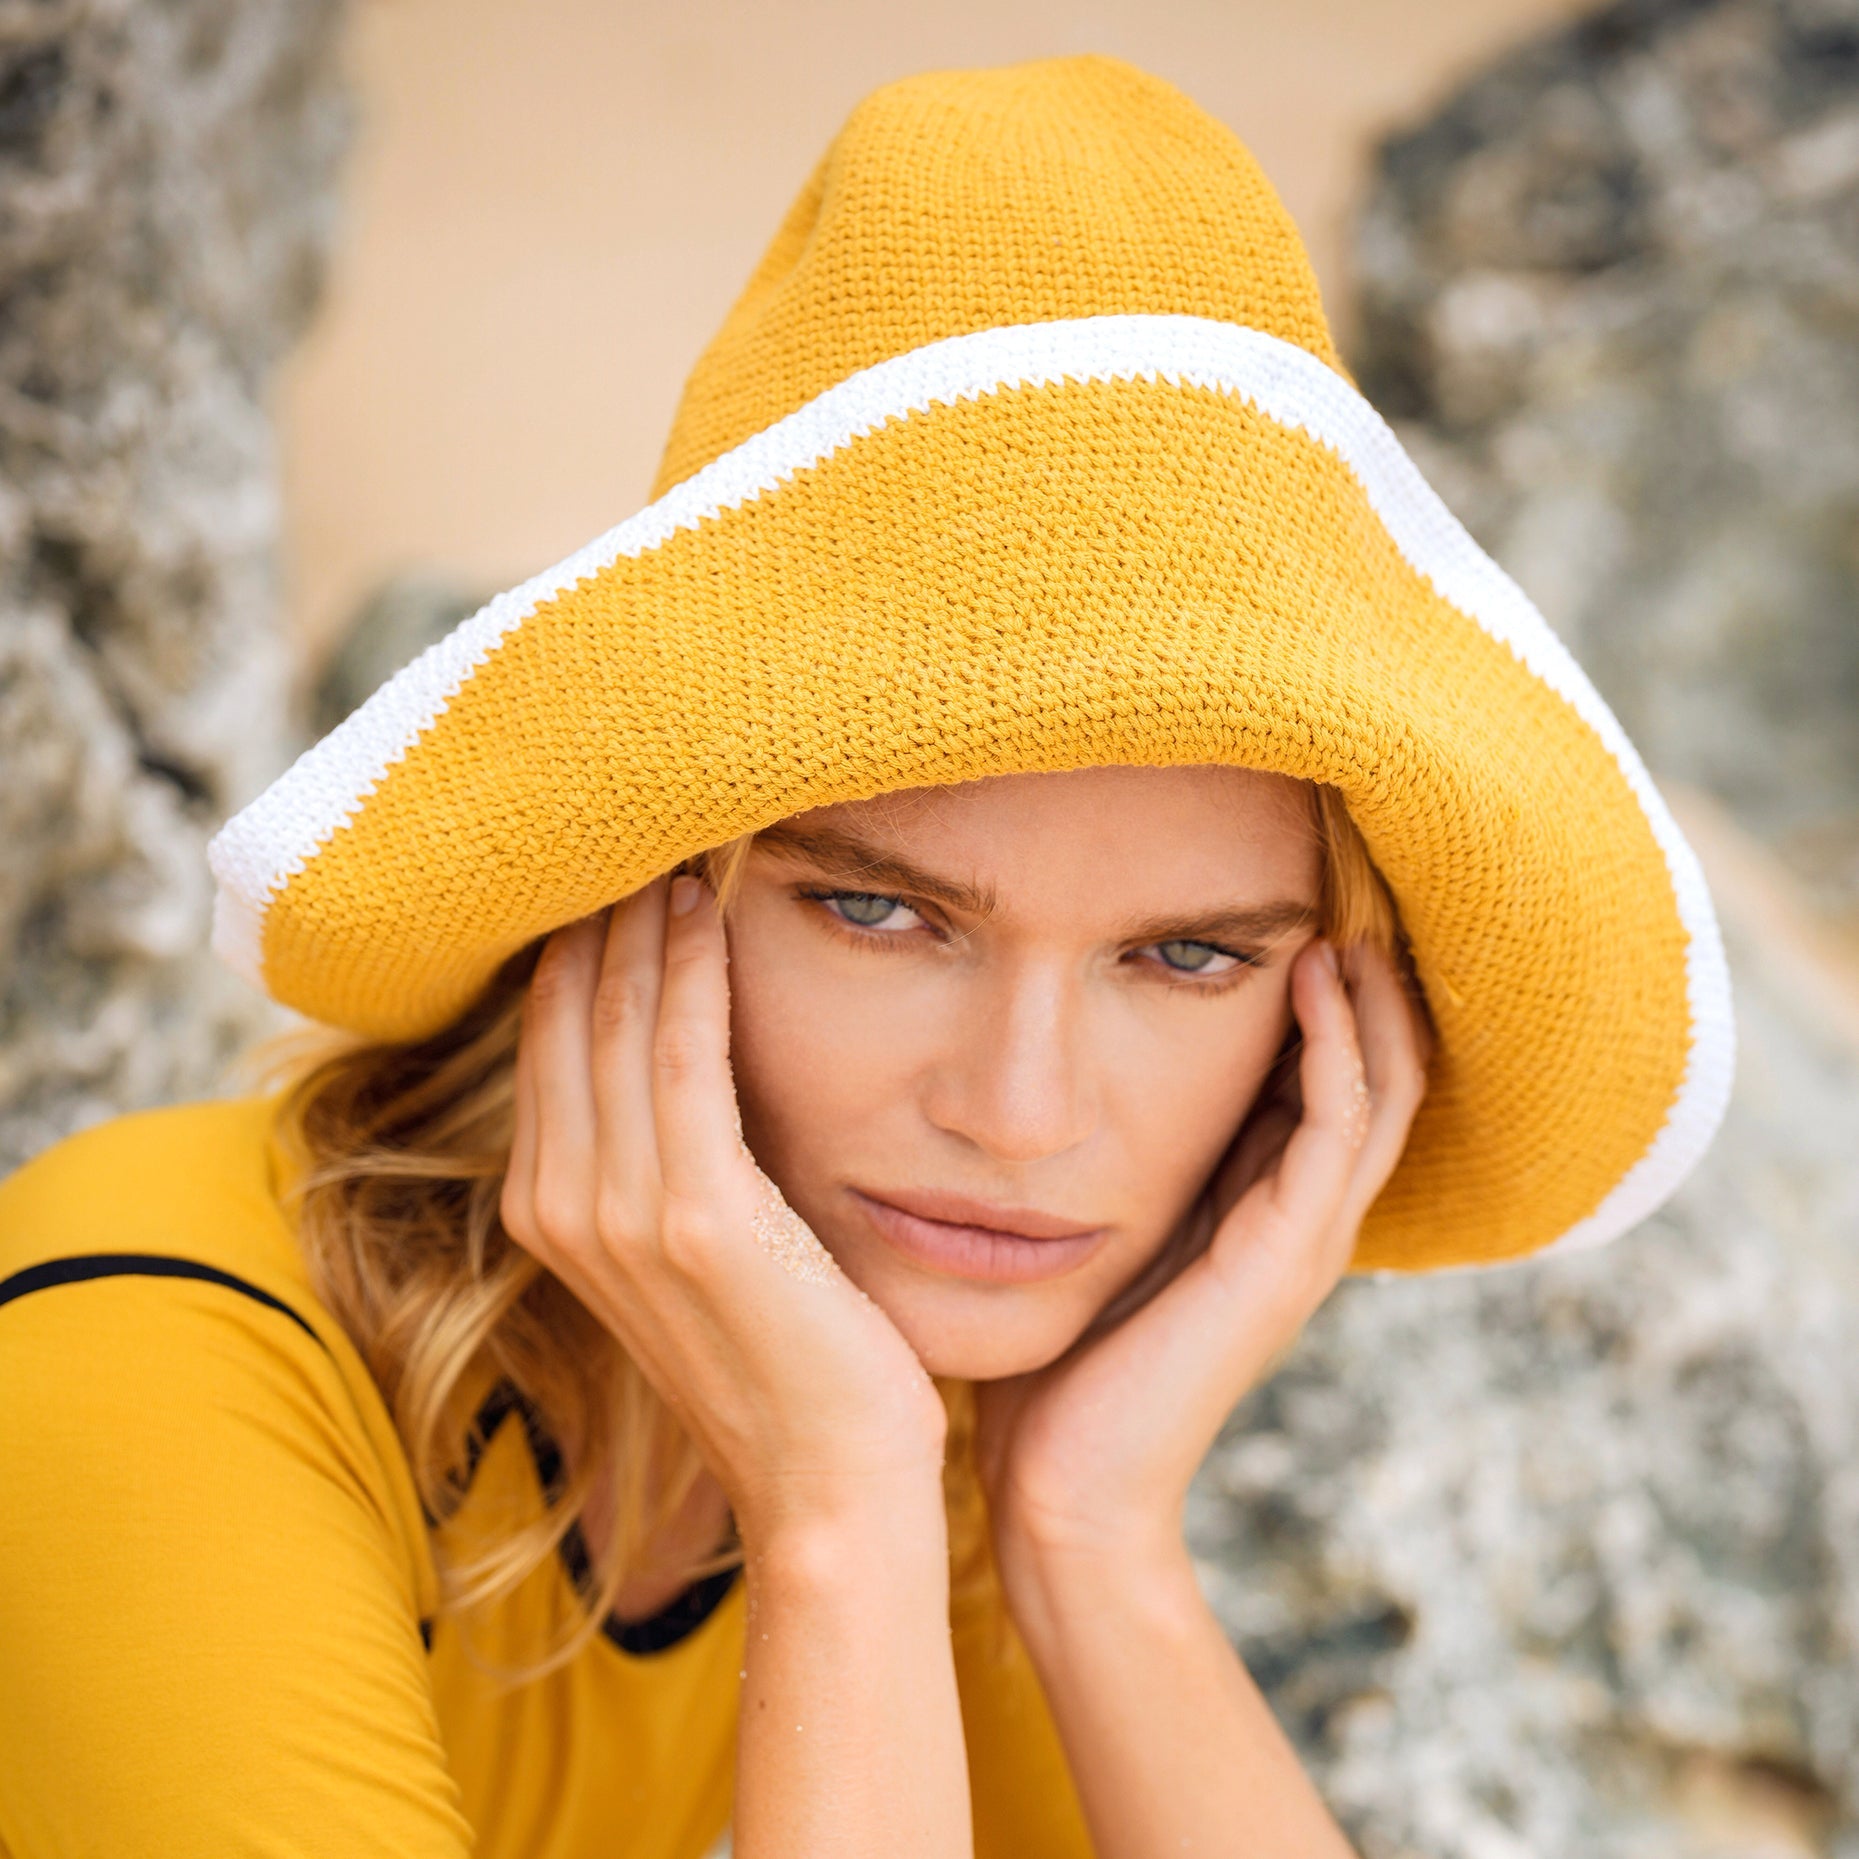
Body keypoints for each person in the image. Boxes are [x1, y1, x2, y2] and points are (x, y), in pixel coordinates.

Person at [0, 53, 1731, 1859]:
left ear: (1321, 1030)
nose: (1019, 1111)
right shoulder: (150, 1353)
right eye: (881, 912)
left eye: (1189, 958)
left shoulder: (921, 1411)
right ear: (629, 886)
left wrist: (1097, 1544)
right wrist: (838, 1509)